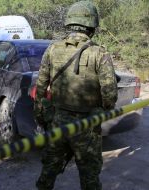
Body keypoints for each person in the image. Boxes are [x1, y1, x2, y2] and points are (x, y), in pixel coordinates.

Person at [34, 1, 118, 190]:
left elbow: (40, 87)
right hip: (86, 124)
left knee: (49, 169)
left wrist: (40, 117)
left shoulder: (53, 49)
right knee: (89, 176)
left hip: (57, 122)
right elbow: (110, 94)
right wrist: (102, 111)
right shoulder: (99, 53)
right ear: (92, 26)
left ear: (70, 23)